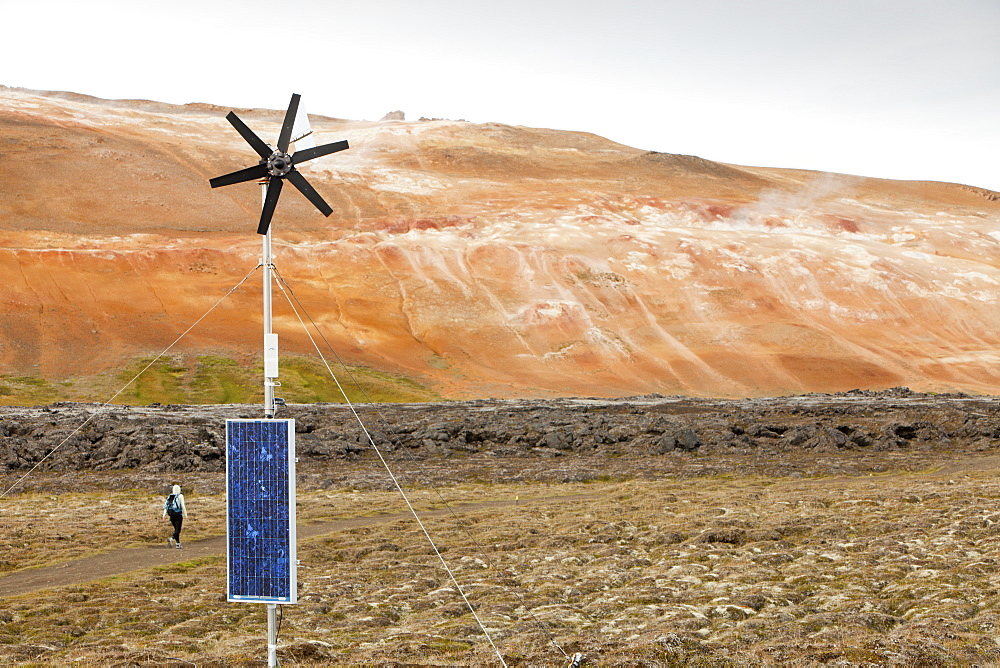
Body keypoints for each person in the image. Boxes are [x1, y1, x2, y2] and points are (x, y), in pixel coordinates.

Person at [162, 484, 188, 549]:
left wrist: (164, 515)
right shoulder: (180, 496)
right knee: (178, 530)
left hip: (171, 515)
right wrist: (186, 515)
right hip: (178, 515)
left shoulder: (170, 496)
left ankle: (178, 544)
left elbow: (166, 506)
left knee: (176, 530)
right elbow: (183, 506)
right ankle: (172, 538)